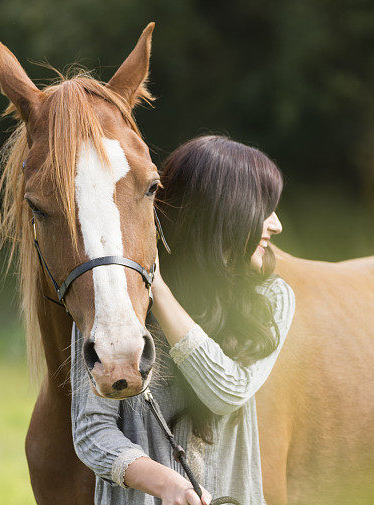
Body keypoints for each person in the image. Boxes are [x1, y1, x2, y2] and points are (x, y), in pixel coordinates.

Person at [71, 135, 296, 505]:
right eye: (263, 209)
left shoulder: (271, 299)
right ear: (222, 215)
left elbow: (227, 391)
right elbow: (91, 431)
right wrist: (165, 484)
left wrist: (156, 288)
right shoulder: (113, 302)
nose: (276, 224)